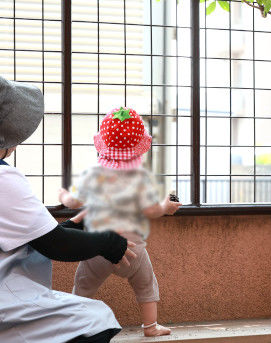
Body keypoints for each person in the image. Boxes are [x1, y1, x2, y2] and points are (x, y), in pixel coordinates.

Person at [0, 76, 136, 342]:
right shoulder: (5, 180)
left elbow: (36, 235)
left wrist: (75, 223)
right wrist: (109, 242)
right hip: (8, 298)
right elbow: (55, 244)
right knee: (96, 319)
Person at [58, 106, 181, 337]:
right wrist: (167, 206)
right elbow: (153, 209)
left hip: (98, 249)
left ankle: (74, 326)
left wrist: (63, 195)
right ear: (139, 147)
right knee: (146, 286)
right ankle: (151, 326)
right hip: (134, 251)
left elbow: (73, 201)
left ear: (103, 143)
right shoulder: (142, 178)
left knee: (83, 288)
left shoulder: (94, 174)